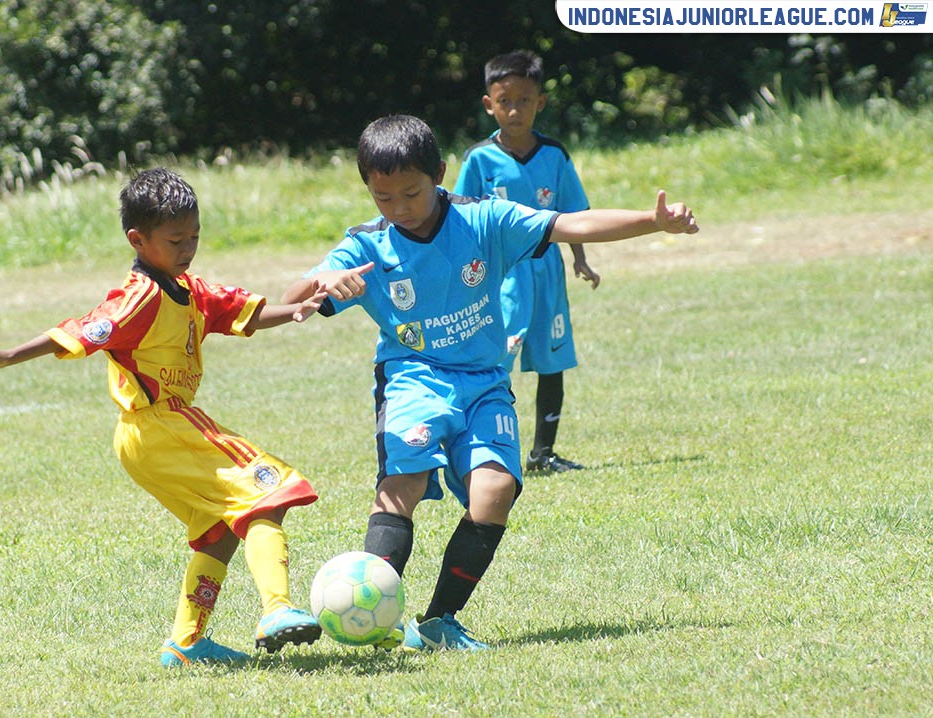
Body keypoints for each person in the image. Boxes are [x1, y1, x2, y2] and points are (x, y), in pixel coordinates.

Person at [280, 115, 697, 651]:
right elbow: (292, 302)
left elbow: (570, 224)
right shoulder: (367, 245)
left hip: (484, 381)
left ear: (440, 173)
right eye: (385, 198)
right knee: (401, 488)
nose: (400, 208)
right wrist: (320, 281)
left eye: (412, 193)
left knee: (495, 491)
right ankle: (375, 614)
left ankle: (437, 622)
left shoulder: (484, 221)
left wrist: (652, 221)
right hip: (413, 379)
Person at [0, 168, 331, 667]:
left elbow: (239, 312)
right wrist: (7, 355)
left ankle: (187, 643)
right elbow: (80, 330)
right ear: (138, 239)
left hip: (150, 437)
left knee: (219, 532)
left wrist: (298, 309)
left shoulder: (189, 289)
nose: (188, 248)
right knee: (270, 491)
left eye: (194, 236)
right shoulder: (140, 298)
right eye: (175, 239)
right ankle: (276, 609)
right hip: (159, 423)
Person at [454, 49, 598, 474]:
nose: (514, 110)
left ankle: (543, 453)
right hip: (501, 276)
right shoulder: (479, 159)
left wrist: (580, 259)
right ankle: (479, 451)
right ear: (489, 104)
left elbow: (574, 215)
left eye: (524, 100)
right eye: (504, 101)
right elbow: (460, 216)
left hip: (547, 272)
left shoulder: (554, 155)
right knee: (496, 359)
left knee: (552, 359)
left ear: (541, 102)